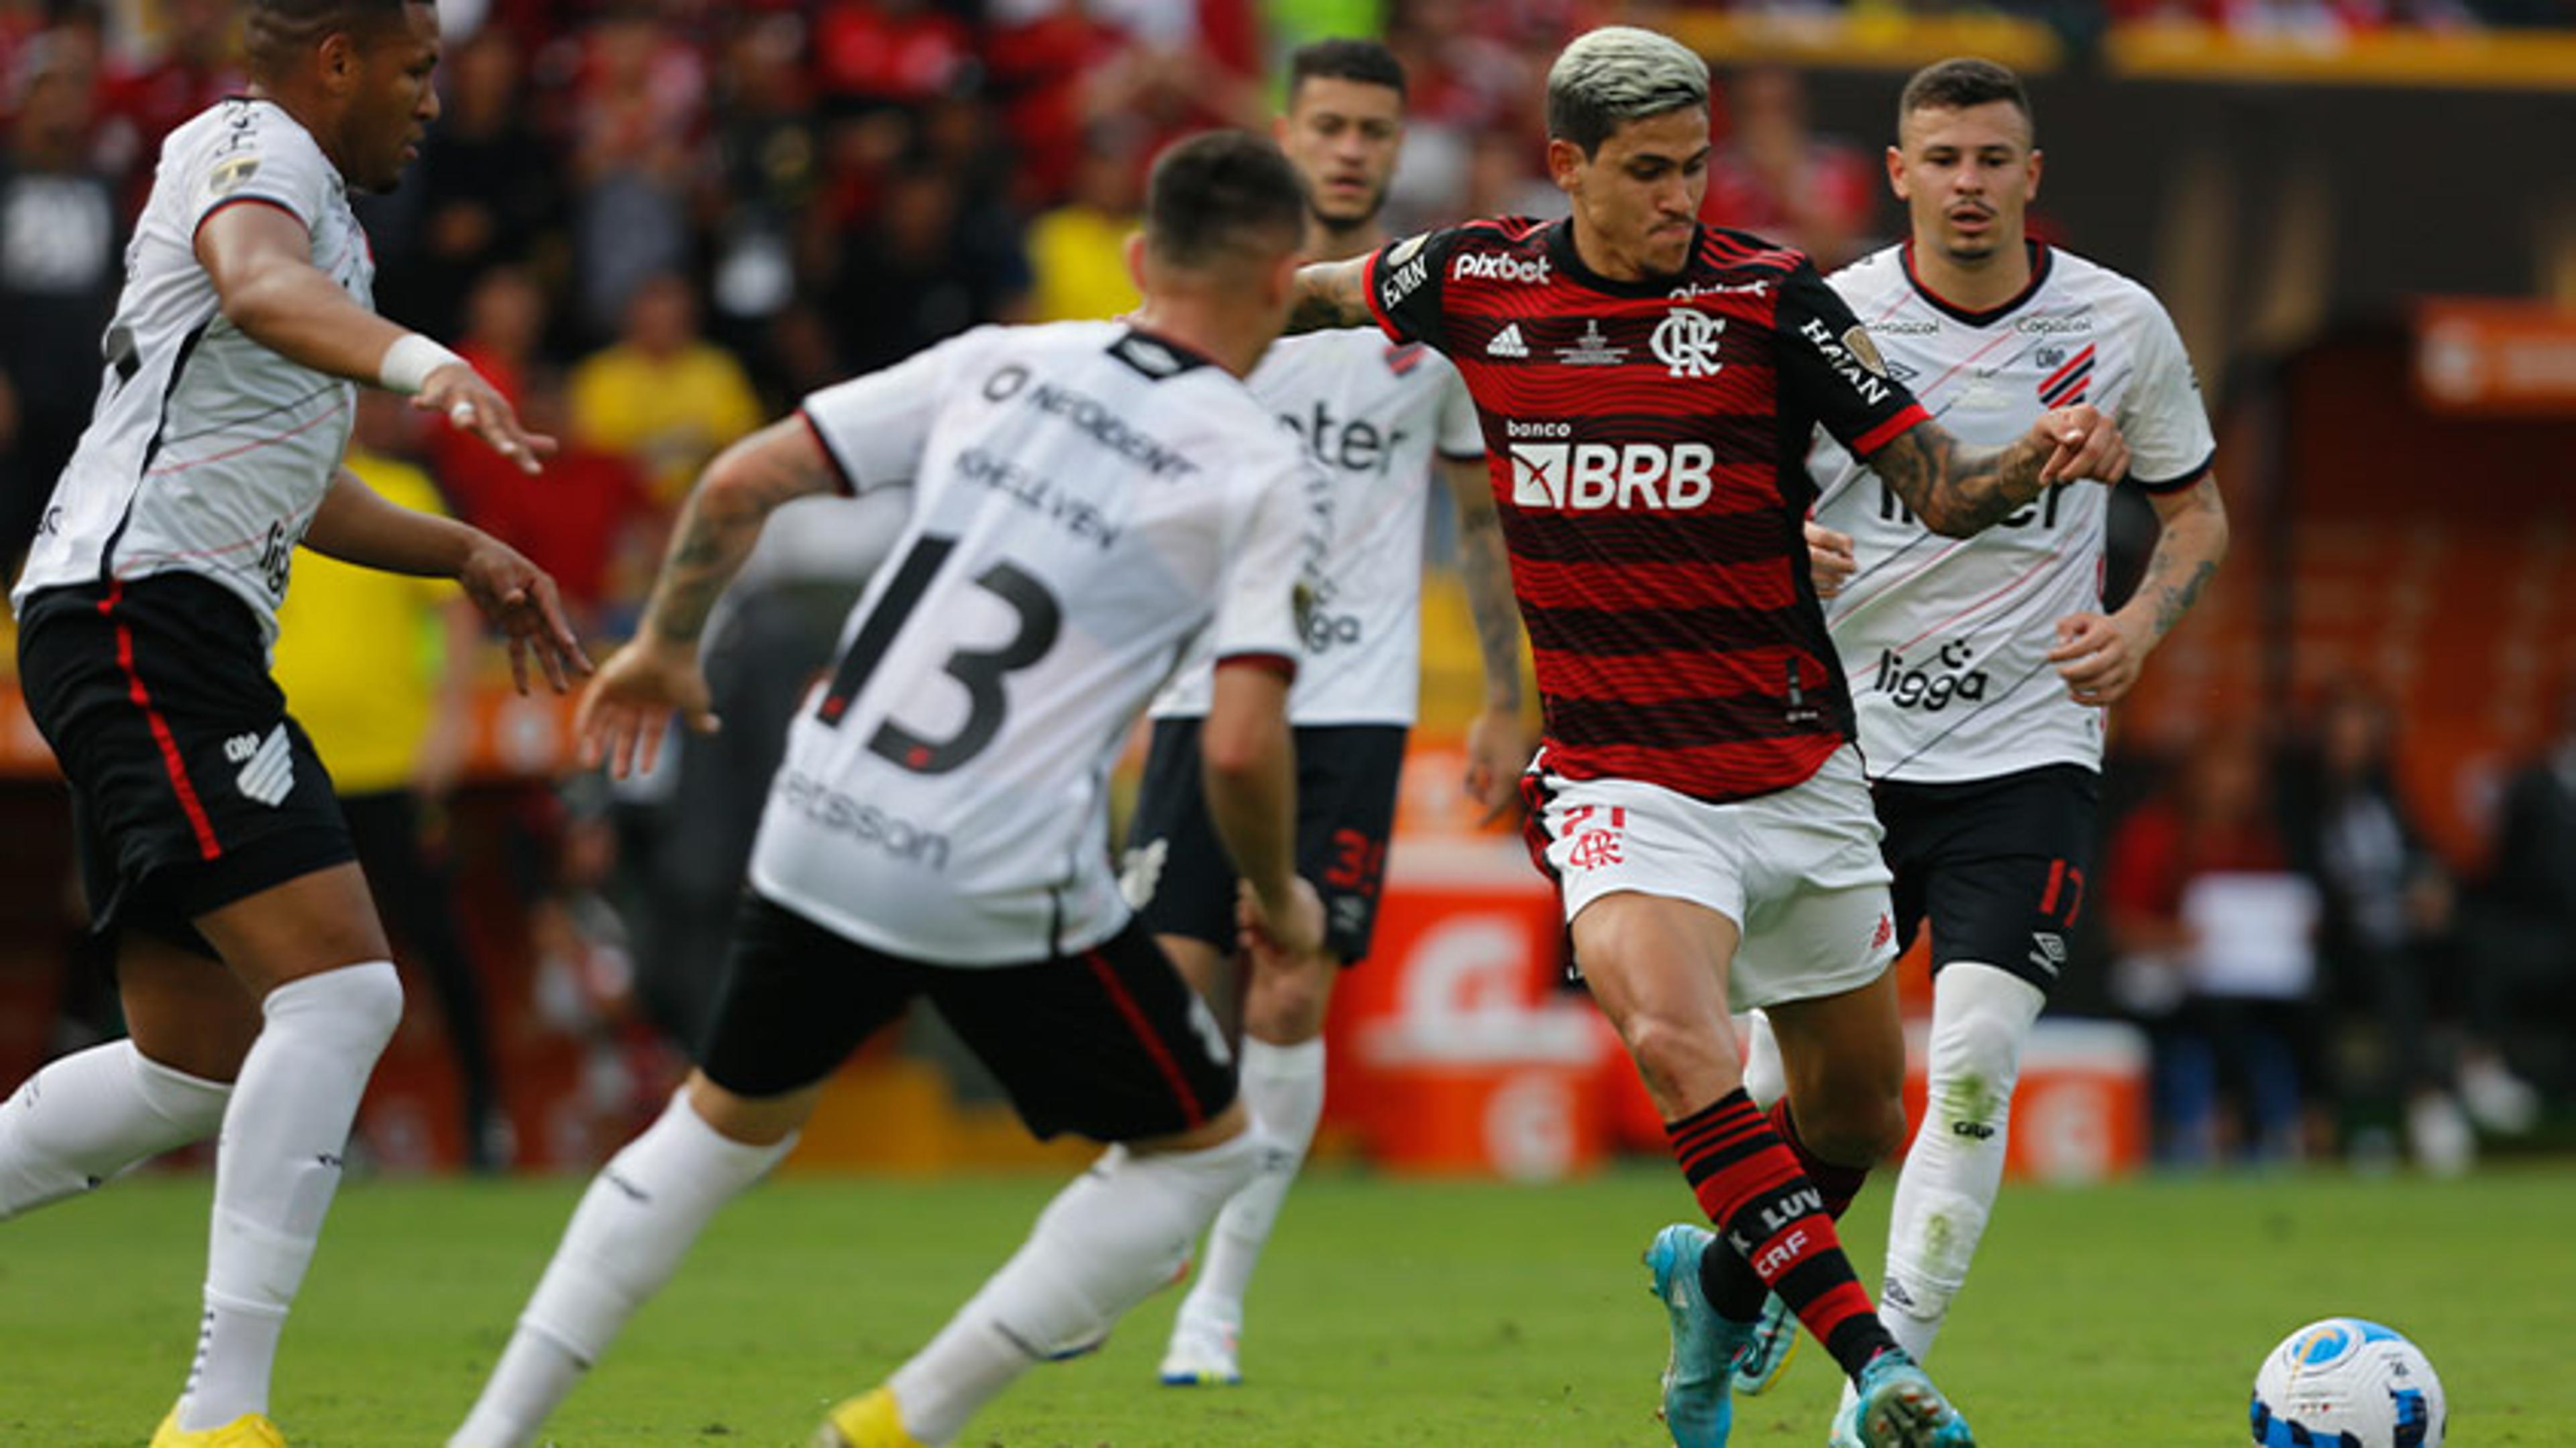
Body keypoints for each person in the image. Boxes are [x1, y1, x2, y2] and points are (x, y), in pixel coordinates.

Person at [1278, 25, 2133, 1448]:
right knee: (1679, 1040)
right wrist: (1173, 315)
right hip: (1619, 776)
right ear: (1570, 166)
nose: (1683, 197)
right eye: (1651, 173)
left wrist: (2031, 460)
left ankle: (1717, 1285)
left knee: (1855, 1113)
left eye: (1695, 166)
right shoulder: (1472, 276)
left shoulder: (1773, 300)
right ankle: (1879, 1369)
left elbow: (1933, 484)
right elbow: (1299, 294)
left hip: (1797, 772)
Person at [448, 130, 1331, 1448]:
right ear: (1281, 286)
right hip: (991, 866)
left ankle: (491, 1431)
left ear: (1141, 259)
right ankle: (894, 1421)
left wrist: (666, 642)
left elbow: (743, 477)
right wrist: (1280, 895)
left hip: (822, 816)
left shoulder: (1002, 360)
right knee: (1202, 1148)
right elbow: (1247, 747)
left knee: (718, 1127)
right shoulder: (1257, 468)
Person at [0, 2, 585, 1444]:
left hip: (139, 612)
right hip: (149, 615)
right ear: (337, 61)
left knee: (183, 1062)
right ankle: (222, 1412)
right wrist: (423, 362)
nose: (433, 100)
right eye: (417, 69)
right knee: (345, 989)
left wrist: (462, 549)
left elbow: (285, 473)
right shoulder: (249, 153)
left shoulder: (315, 208)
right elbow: (258, 290)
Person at [1723, 57, 2235, 1443]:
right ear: (1897, 174)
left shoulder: (2115, 320)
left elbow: (2196, 515)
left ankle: (1872, 1392)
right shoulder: (1835, 319)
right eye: (1940, 157)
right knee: (1791, 1077)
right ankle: (1740, 1273)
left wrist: (2136, 625)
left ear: (2031, 175)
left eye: (1991, 158)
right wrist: (1784, 543)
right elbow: (1736, 497)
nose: (1967, 182)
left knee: (1970, 1062)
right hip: (1844, 752)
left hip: (2027, 753)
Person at [1130, 38, 1532, 1390]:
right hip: (1198, 684)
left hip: (1353, 700)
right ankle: (1137, 1238)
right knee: (1168, 998)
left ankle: (1217, 1302)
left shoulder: (1432, 316)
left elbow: (1478, 514)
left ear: (1396, 146)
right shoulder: (1217, 301)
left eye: (1374, 128)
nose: (1353, 148)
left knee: (1291, 980)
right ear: (1287, 135)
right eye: (1330, 125)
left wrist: (1507, 697)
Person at [271, 390, 506, 1172]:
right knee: (304, 965)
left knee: (437, 945)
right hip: (289, 764)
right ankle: (339, 1136)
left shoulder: (402, 492)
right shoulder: (267, 487)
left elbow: (455, 610)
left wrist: (448, 722)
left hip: (391, 764)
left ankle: (485, 1116)